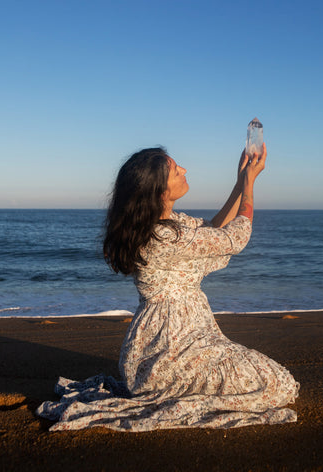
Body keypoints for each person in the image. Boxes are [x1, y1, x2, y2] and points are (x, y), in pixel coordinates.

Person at [37, 145, 299, 431]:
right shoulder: (163, 236)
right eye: (175, 170)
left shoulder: (162, 226)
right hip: (170, 347)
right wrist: (249, 183)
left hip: (173, 338)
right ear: (159, 190)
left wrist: (239, 183)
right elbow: (234, 238)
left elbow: (213, 231)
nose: (184, 170)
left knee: (268, 380)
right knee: (277, 384)